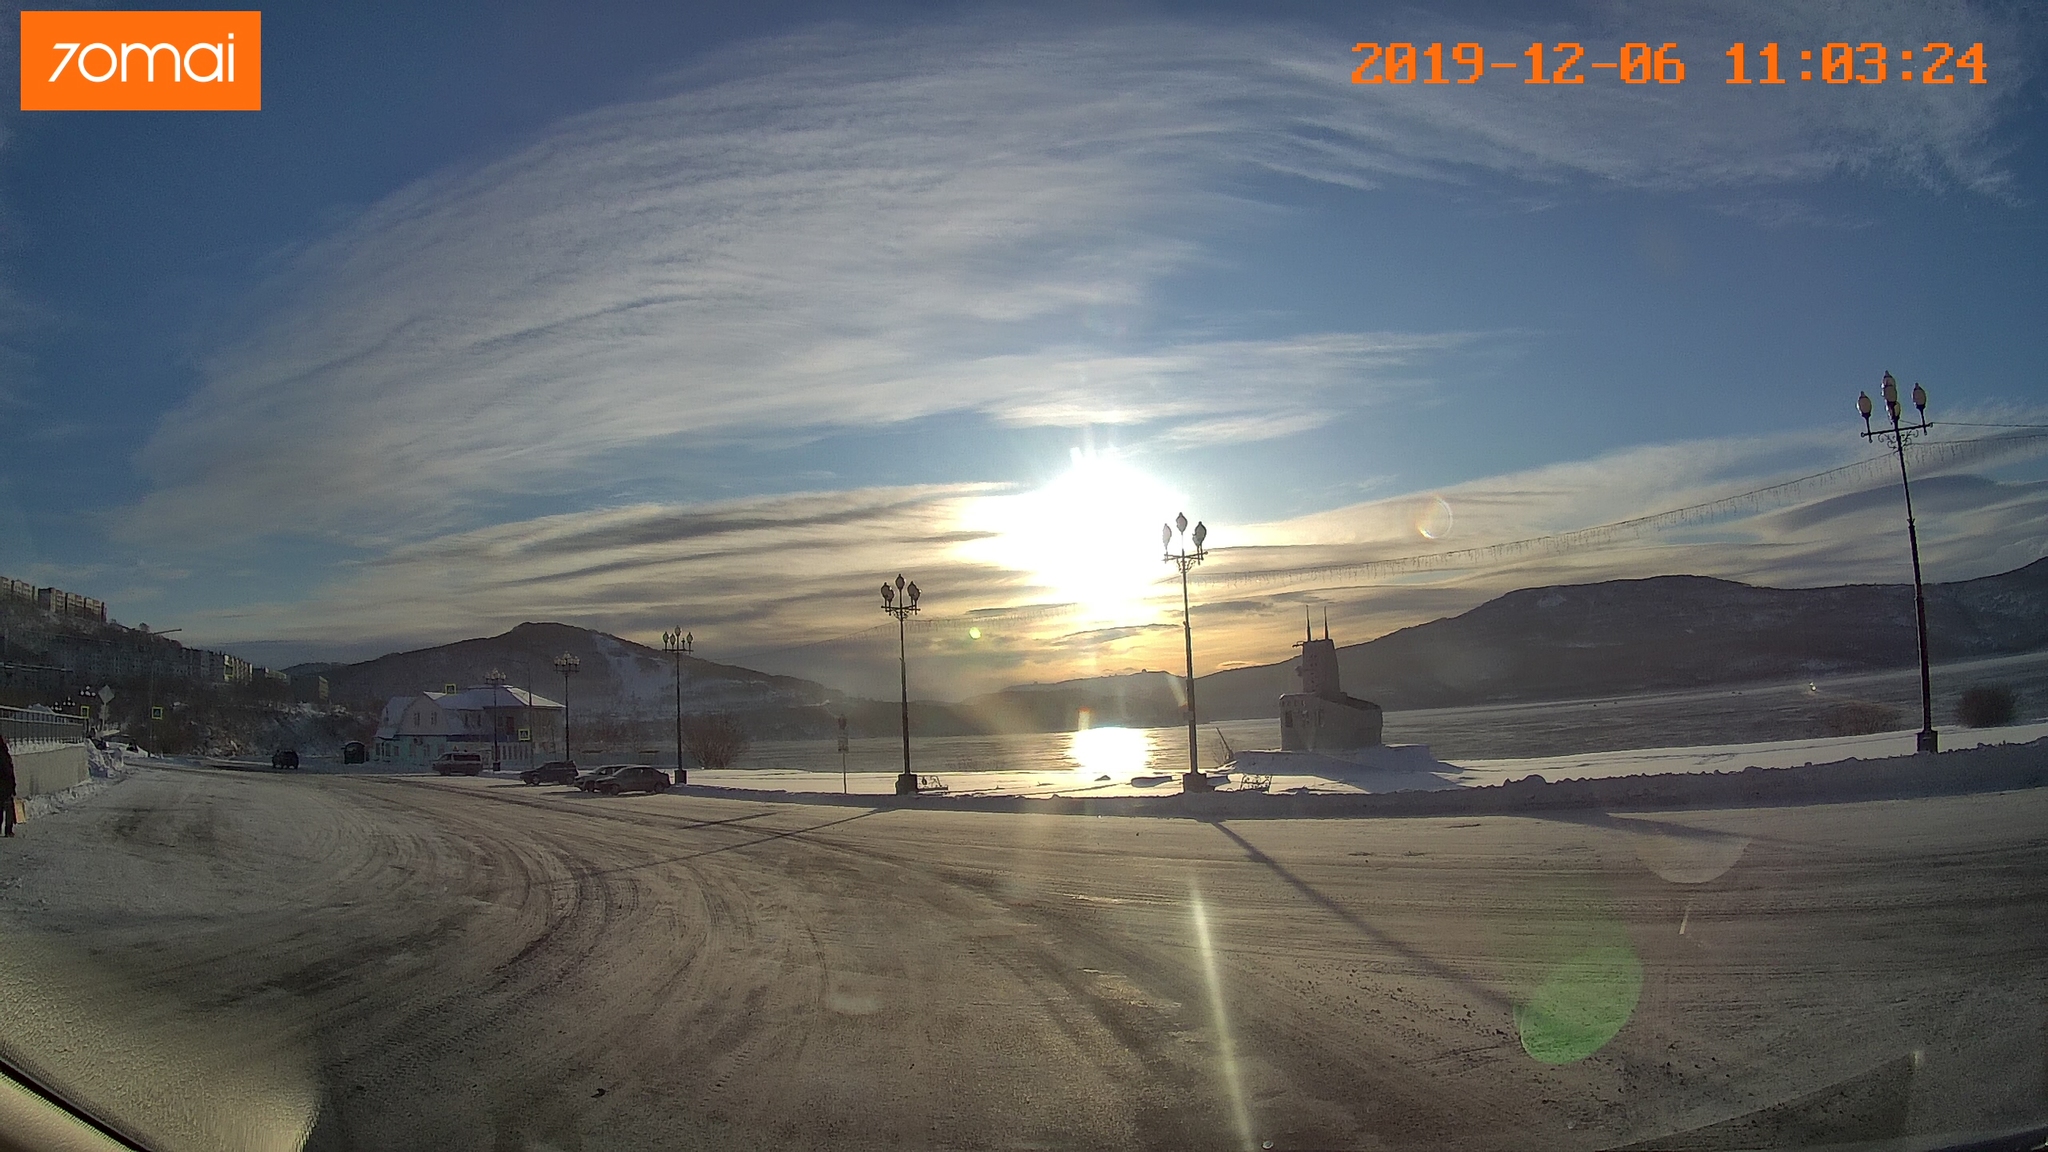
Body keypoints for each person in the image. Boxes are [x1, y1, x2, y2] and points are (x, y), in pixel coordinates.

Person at [0, 729, 17, 837]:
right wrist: (12, 785)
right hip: (5, 785)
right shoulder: (3, 754)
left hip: (4, 785)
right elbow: (8, 771)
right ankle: (8, 830)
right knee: (8, 808)